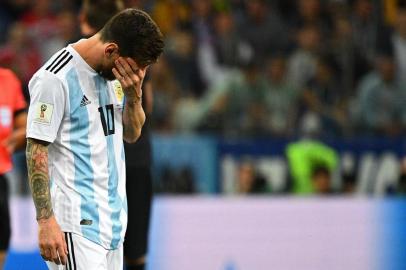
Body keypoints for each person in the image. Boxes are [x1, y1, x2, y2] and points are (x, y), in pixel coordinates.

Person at [25, 8, 164, 270]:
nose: (135, 76)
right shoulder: (55, 78)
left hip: (112, 226)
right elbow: (36, 148)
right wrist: (45, 221)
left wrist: (134, 95)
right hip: (76, 226)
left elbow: (133, 135)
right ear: (111, 50)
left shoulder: (117, 75)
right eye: (135, 68)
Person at [0, 68, 27, 269]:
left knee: (2, 242)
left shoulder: (8, 79)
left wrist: (12, 141)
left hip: (0, 177)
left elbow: (24, 127)